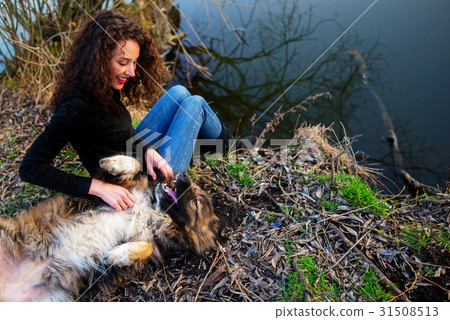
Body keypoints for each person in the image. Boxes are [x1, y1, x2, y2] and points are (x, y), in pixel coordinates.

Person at [19, 10, 224, 212]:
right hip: (143, 184)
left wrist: (148, 151)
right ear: (98, 58)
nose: (132, 72)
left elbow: (121, 133)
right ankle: (228, 144)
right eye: (123, 62)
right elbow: (30, 168)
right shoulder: (75, 106)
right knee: (195, 104)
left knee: (179, 92)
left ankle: (206, 145)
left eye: (134, 62)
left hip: (134, 153)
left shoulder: (100, 84)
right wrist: (99, 187)